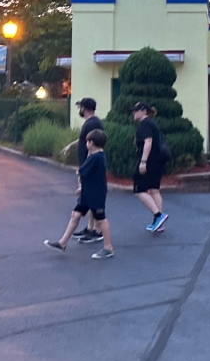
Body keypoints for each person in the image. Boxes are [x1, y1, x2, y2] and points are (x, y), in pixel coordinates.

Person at [44, 129, 115, 259]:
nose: (85, 144)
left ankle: (108, 247)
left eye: (87, 142)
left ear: (91, 143)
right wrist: (82, 188)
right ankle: (62, 243)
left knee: (101, 219)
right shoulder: (94, 155)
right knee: (75, 215)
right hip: (87, 193)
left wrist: (82, 180)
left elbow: (80, 172)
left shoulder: (96, 158)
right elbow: (90, 176)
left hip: (96, 194)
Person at [61, 98, 104, 243]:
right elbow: (85, 140)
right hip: (85, 164)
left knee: (91, 198)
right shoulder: (90, 123)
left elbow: (94, 144)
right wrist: (71, 146)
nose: (79, 110)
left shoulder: (93, 123)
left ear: (84, 108)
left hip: (88, 166)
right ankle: (90, 228)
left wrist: (86, 166)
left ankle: (97, 231)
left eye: (80, 107)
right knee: (89, 199)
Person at [132, 102, 169, 232]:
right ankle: (158, 223)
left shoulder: (145, 124)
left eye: (135, 110)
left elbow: (148, 142)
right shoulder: (152, 123)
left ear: (143, 110)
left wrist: (143, 162)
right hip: (158, 160)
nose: (133, 113)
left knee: (139, 189)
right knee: (154, 189)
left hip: (150, 161)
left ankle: (158, 215)